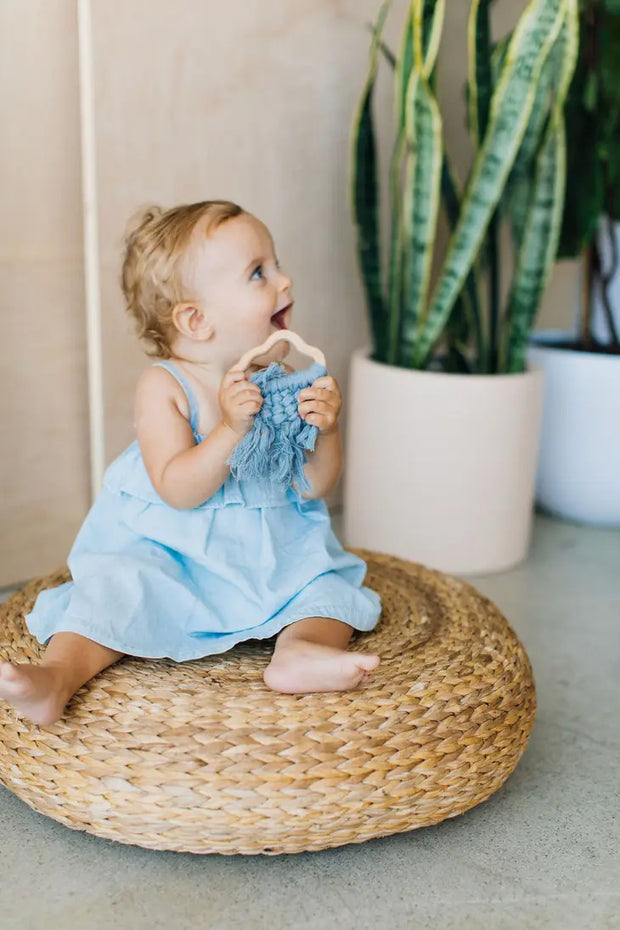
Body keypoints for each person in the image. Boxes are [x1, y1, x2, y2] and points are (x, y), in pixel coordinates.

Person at [0, 200, 382, 726]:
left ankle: (301, 651)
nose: (285, 280)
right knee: (116, 592)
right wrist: (229, 430)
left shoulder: (283, 373)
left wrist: (328, 430)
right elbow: (178, 489)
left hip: (268, 553)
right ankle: (57, 677)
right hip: (172, 556)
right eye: (259, 273)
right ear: (196, 320)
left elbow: (314, 485)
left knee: (321, 587)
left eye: (275, 263)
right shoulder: (166, 386)